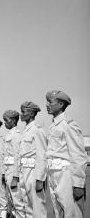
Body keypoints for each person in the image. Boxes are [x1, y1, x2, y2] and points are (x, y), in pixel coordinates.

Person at [46, 90, 88, 218]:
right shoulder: (52, 126)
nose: (47, 105)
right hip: (53, 173)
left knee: (71, 212)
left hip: (65, 174)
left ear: (60, 104)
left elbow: (79, 155)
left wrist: (78, 184)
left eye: (50, 102)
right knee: (57, 211)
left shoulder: (69, 125)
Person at [17, 102, 47, 218]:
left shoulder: (37, 130)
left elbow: (42, 155)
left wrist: (40, 179)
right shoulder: (25, 131)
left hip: (33, 173)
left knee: (38, 207)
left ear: (31, 114)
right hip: (24, 171)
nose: (21, 114)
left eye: (23, 112)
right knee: (27, 205)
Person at [3, 110, 25, 218]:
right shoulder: (9, 134)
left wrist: (16, 177)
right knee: (11, 199)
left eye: (6, 120)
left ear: (13, 121)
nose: (5, 123)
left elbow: (17, 156)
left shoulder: (16, 135)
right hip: (8, 170)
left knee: (18, 201)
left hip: (13, 171)